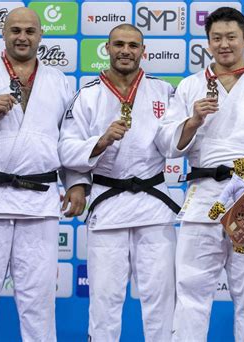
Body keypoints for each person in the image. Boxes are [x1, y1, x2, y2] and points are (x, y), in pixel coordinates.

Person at [0, 7, 87, 342]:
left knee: (38, 298)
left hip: (39, 201)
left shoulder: (59, 82)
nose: (22, 37)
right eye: (15, 31)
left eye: (29, 31)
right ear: (4, 34)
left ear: (40, 36)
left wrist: (77, 183)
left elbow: (70, 137)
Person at [159, 7, 244, 341]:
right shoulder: (191, 86)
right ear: (207, 43)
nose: (224, 44)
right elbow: (167, 143)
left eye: (231, 37)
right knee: (191, 291)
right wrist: (192, 122)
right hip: (203, 194)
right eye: (217, 38)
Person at [58, 24, 179, 341]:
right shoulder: (88, 95)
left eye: (133, 45)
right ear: (107, 48)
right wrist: (100, 142)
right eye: (119, 44)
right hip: (108, 201)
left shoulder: (164, 92)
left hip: (153, 204)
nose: (126, 50)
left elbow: (179, 140)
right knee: (105, 299)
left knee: (161, 297)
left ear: (143, 51)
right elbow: (66, 148)